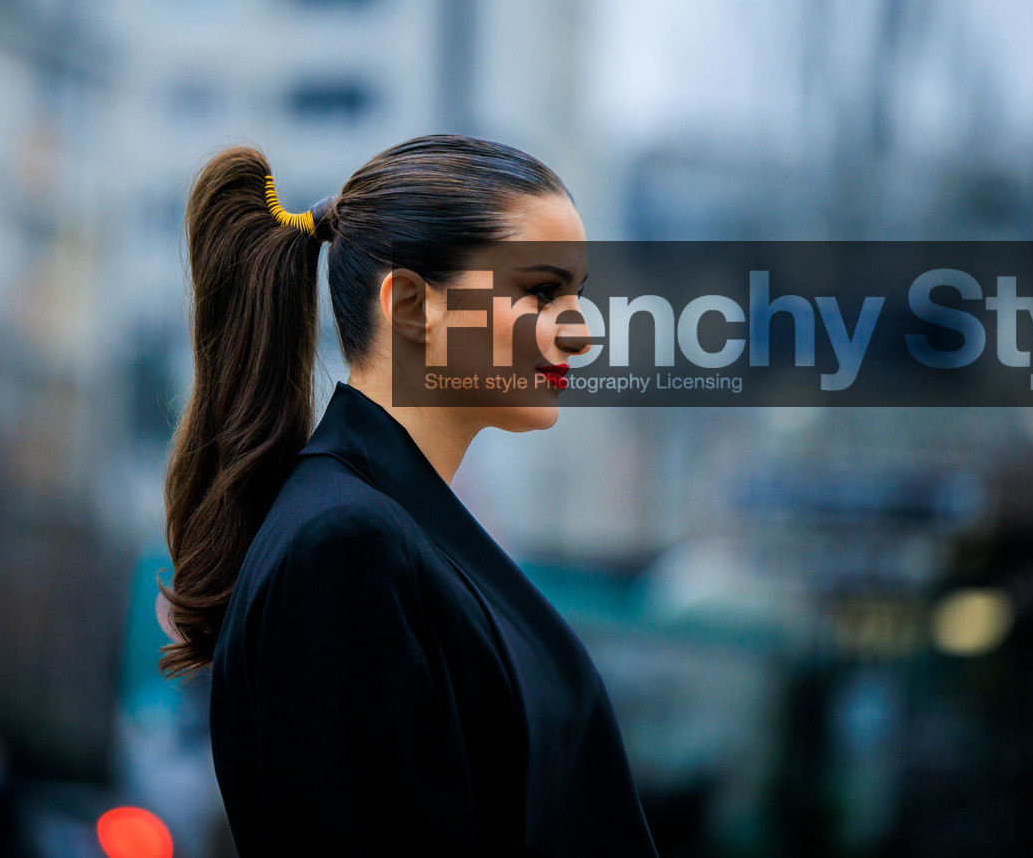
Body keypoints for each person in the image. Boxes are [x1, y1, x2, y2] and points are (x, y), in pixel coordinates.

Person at [159, 135, 658, 856]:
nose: (580, 334)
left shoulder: (381, 530)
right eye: (543, 292)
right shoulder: (344, 546)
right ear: (414, 305)